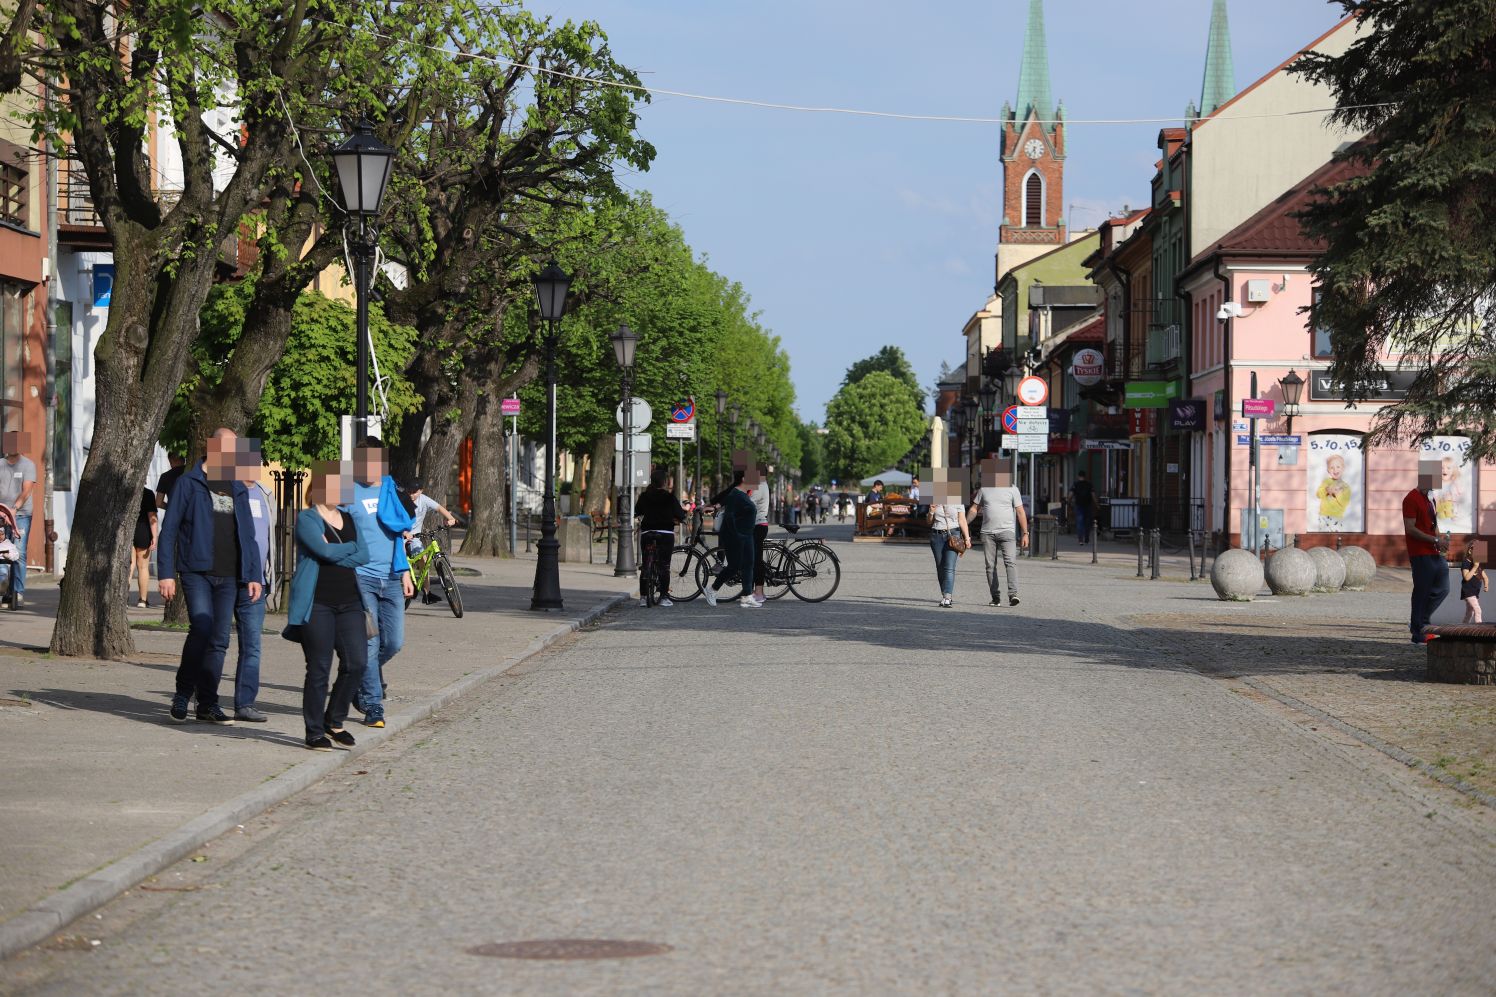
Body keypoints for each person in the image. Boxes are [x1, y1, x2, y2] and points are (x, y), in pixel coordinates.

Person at [156, 428, 265, 724]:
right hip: (197, 571)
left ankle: (207, 703)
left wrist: (253, 574)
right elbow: (169, 531)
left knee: (219, 640)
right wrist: (165, 573)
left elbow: (249, 535)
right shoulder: (189, 482)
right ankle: (182, 693)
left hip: (229, 575)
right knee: (201, 628)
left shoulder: (237, 486)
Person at [284, 461, 369, 751]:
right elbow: (321, 551)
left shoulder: (349, 518)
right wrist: (345, 551)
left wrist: (336, 553)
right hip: (317, 603)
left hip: (350, 601)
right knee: (319, 668)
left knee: (357, 662)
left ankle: (334, 720)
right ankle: (314, 731)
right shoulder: (308, 518)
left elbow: (364, 554)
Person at [348, 437, 415, 728]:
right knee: (371, 642)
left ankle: (357, 679)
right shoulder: (347, 490)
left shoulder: (392, 489)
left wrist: (405, 572)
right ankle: (373, 705)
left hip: (392, 576)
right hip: (362, 577)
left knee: (394, 642)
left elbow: (402, 534)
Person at [231, 445, 275, 722]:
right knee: (215, 640)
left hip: (257, 583)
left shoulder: (264, 493)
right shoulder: (227, 491)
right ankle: (203, 693)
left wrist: (268, 573)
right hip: (227, 579)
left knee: (252, 645)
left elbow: (268, 538)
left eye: (255, 461)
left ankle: (245, 703)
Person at [969, 462, 1029, 608]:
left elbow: (1020, 512)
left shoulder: (1013, 489)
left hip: (1007, 532)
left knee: (1010, 562)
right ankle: (995, 597)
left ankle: (1013, 594)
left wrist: (1025, 533)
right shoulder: (984, 489)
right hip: (987, 533)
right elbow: (974, 509)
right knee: (990, 566)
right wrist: (964, 524)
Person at [1402, 467, 1450, 644]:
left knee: (1443, 589)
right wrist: (1433, 539)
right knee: (1422, 592)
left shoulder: (1430, 499)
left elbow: (1433, 525)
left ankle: (1422, 622)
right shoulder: (1411, 499)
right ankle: (1418, 632)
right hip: (1420, 552)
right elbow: (1410, 528)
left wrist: (1440, 539)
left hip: (1434, 551)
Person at [634, 467, 687, 607]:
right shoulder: (669, 497)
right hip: (665, 534)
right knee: (664, 566)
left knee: (646, 565)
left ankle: (643, 597)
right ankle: (663, 597)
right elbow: (681, 515)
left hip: (647, 533)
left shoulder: (644, 496)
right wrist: (682, 518)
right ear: (664, 482)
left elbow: (637, 511)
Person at [704, 471, 757, 608]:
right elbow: (729, 517)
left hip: (747, 534)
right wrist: (737, 535)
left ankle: (747, 596)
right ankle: (712, 589)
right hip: (736, 535)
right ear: (744, 479)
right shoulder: (735, 494)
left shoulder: (742, 494)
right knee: (734, 566)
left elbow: (723, 503)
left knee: (749, 564)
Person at [0, 431, 36, 609]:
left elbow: (26, 490)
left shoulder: (28, 465)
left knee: (19, 553)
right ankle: (5, 591)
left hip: (21, 515)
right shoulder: (0, 464)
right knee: (2, 554)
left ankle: (18, 592)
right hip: (1, 515)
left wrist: (14, 509)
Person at [928, 481, 971, 608]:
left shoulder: (957, 500)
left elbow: (962, 520)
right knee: (940, 567)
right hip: (936, 535)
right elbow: (929, 521)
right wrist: (931, 511)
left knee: (949, 567)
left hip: (953, 535)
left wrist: (967, 538)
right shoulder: (934, 500)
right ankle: (944, 593)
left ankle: (947, 597)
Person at [129, 486, 159, 608]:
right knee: (143, 567)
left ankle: (123, 598)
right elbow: (152, 517)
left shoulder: (124, 490)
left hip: (127, 532)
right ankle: (142, 600)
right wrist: (154, 537)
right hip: (143, 531)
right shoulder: (148, 493)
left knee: (129, 566)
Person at [749, 466, 771, 604]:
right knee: (753, 558)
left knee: (756, 559)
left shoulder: (760, 486)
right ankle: (752, 590)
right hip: (756, 524)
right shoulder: (760, 485)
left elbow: (749, 503)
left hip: (758, 525)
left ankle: (759, 592)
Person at [1460, 538, 1487, 625]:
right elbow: (1466, 578)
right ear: (1470, 551)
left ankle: (1463, 628)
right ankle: (1479, 629)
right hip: (1468, 591)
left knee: (1469, 612)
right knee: (1477, 610)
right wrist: (1475, 567)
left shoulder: (1478, 565)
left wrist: (1486, 585)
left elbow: (1485, 577)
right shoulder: (1466, 563)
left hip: (1475, 592)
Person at [1069, 471, 1095, 545]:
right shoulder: (1089, 484)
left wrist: (1069, 501)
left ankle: (1080, 539)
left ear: (1078, 476)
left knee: (1080, 522)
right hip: (1088, 505)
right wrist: (1096, 504)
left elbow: (1070, 494)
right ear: (1085, 476)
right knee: (1088, 522)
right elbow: (1093, 495)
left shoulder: (1075, 484)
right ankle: (1086, 538)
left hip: (1079, 505)